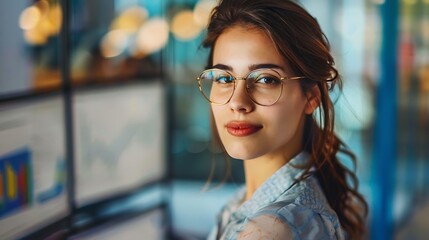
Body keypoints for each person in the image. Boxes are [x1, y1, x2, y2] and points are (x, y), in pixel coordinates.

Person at [195, 0, 368, 239]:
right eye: (224, 79)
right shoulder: (256, 204)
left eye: (266, 79)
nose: (238, 102)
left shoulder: (269, 230)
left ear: (310, 97)